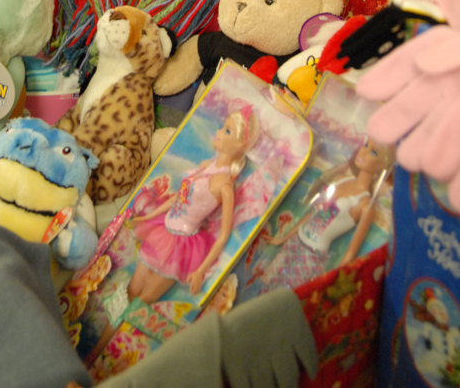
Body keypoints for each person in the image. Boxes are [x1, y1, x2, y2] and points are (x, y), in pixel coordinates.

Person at [128, 106, 262, 302]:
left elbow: (223, 236)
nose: (218, 132)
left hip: (183, 244)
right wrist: (147, 217)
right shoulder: (205, 166)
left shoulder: (225, 187)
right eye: (223, 127)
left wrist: (200, 271)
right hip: (164, 230)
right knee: (132, 289)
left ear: (241, 144)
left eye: (227, 131)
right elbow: (178, 198)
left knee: (145, 298)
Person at [257, 136, 393, 291]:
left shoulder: (365, 205)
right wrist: (283, 238)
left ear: (383, 166)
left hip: (313, 255)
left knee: (287, 295)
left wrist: (333, 280)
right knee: (267, 287)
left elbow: (350, 253)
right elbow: (312, 214)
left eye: (373, 152)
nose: (363, 152)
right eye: (366, 145)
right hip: (294, 242)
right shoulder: (341, 179)